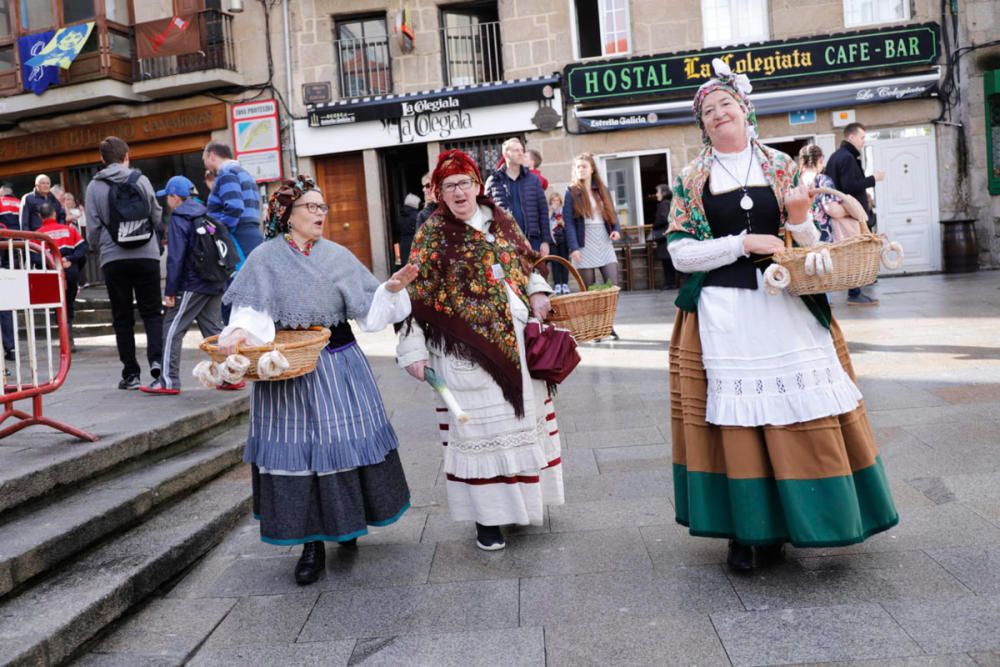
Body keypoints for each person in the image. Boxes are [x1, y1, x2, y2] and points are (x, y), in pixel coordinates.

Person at [666, 59, 898, 572]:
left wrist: (796, 218)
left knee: (801, 412)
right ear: (701, 123)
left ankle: (814, 520)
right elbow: (681, 253)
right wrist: (741, 242)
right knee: (741, 425)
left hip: (786, 305)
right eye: (709, 109)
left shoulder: (782, 165)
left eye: (727, 104)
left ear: (745, 110)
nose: (719, 113)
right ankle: (750, 535)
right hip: (726, 311)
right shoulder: (691, 177)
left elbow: (815, 244)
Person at [217, 175, 419, 585]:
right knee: (302, 454)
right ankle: (311, 543)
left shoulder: (338, 256)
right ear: (287, 215)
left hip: (339, 366)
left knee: (341, 447)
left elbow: (370, 314)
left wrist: (391, 291)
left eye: (323, 207)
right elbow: (250, 314)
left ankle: (348, 522)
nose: (320, 214)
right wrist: (238, 335)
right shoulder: (265, 258)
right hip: (288, 372)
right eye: (311, 207)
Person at [397, 149, 564, 551]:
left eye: (465, 183)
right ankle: (487, 521)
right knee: (480, 433)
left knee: (521, 427)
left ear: (477, 185)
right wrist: (413, 350)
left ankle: (525, 507)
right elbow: (413, 298)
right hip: (464, 352)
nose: (459, 191)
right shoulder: (431, 234)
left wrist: (539, 292)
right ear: (438, 192)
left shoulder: (499, 222)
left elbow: (527, 263)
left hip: (517, 343)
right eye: (449, 185)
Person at [85, 136, 166, 390]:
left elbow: (93, 228)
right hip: (146, 255)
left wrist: (101, 248)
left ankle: (131, 373)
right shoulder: (140, 179)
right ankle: (158, 363)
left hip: (114, 258)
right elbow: (156, 213)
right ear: (126, 156)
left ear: (102, 159)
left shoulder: (94, 187)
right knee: (152, 312)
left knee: (122, 317)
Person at [140, 176, 225, 396]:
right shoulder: (205, 213)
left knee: (171, 329)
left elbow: (175, 258)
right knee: (215, 331)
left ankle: (168, 381)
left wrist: (170, 292)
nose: (167, 201)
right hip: (214, 281)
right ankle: (230, 376)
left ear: (175, 197)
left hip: (192, 283)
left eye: (167, 196)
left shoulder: (179, 217)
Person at [824, 123, 885, 306]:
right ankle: (855, 293)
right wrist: (874, 179)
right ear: (851, 137)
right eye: (862, 137)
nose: (863, 141)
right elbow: (850, 185)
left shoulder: (837, 156)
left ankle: (855, 290)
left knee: (849, 253)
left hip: (842, 212)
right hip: (848, 214)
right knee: (854, 253)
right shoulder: (847, 158)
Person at [484, 137, 552, 254]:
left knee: (534, 273)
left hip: (532, 240)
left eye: (522, 150)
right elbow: (485, 214)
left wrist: (545, 241)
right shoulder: (493, 181)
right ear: (506, 153)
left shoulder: (533, 180)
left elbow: (543, 211)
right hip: (504, 242)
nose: (521, 153)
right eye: (516, 150)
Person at [36, 203, 87, 351]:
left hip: (50, 273)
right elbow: (83, 248)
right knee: (68, 305)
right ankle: (69, 341)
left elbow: (33, 256)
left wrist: (53, 263)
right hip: (70, 271)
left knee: (57, 306)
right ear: (54, 214)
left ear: (40, 217)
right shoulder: (69, 230)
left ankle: (64, 341)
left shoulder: (38, 234)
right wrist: (70, 260)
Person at [651, 184, 677, 290]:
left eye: (658, 192)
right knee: (667, 262)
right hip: (666, 237)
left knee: (667, 262)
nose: (656, 194)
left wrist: (655, 225)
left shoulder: (664, 204)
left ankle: (670, 283)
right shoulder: (668, 203)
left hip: (664, 237)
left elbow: (664, 218)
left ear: (664, 193)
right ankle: (670, 283)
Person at [547, 191, 570, 294]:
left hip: (564, 239)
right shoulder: (548, 211)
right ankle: (557, 284)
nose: (555, 202)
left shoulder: (564, 211)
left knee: (564, 262)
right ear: (550, 202)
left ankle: (564, 284)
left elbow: (569, 227)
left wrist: (562, 223)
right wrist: (551, 211)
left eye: (557, 200)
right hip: (553, 240)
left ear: (560, 201)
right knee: (555, 262)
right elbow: (545, 224)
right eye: (553, 200)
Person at [396, 193, 420, 267]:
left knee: (402, 268)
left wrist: (397, 260)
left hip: (401, 245)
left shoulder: (399, 216)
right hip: (415, 245)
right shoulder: (418, 216)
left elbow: (395, 236)